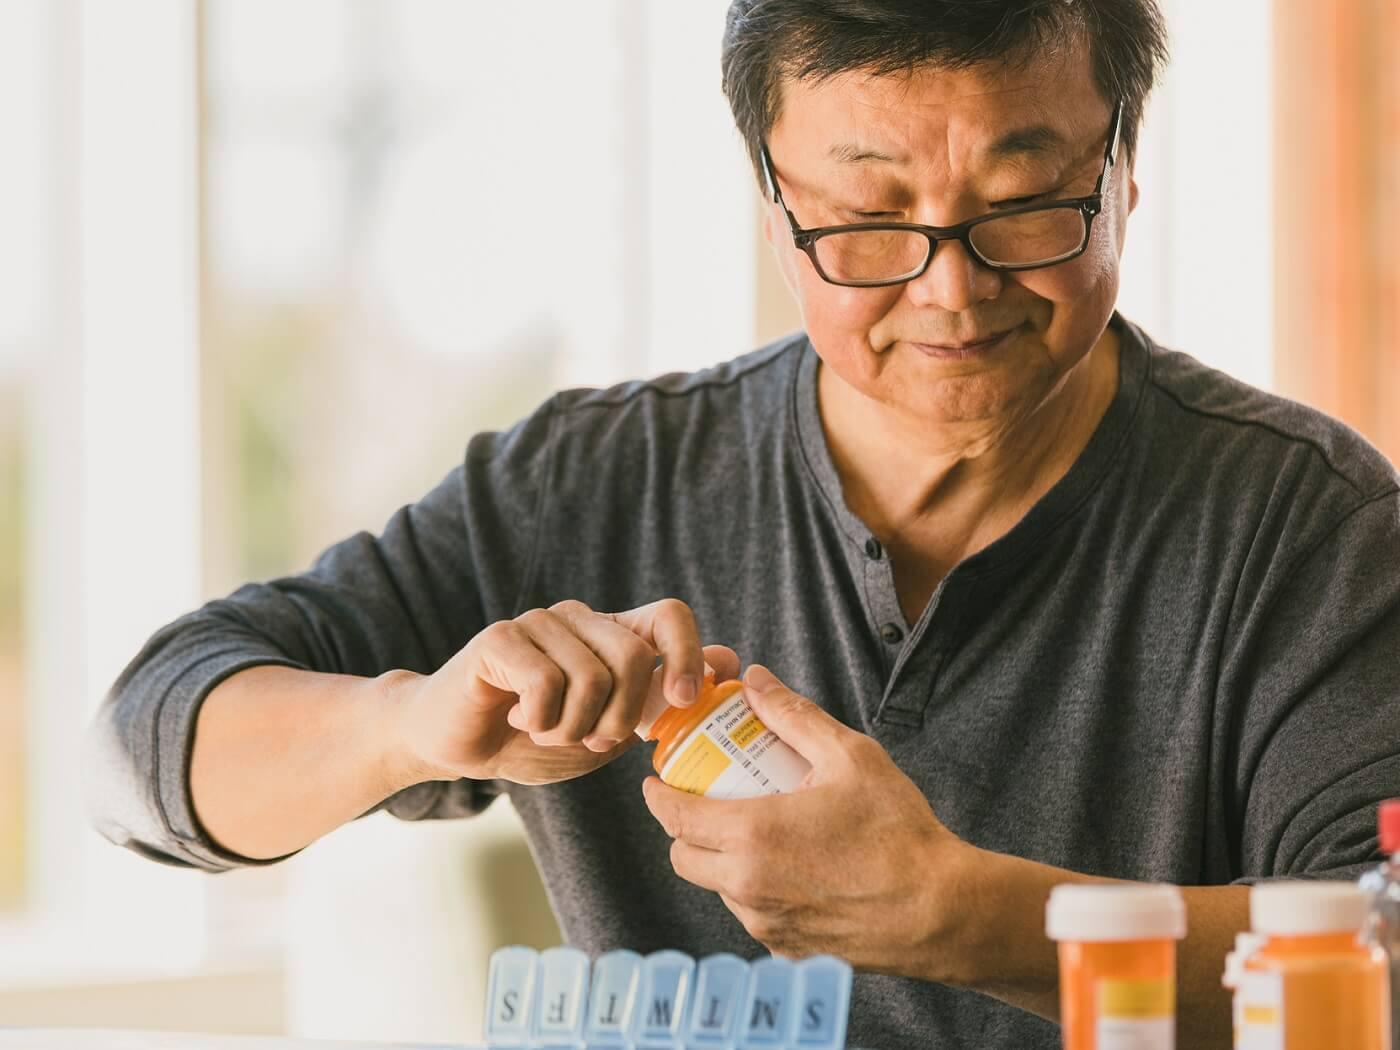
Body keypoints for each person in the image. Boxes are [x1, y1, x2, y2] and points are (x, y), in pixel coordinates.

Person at [88, 2, 1400, 1047]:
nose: (952, 289)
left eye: (1024, 202)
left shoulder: (1310, 531)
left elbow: (1383, 964)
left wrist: (965, 916)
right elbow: (143, 746)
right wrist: (407, 720)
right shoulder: (590, 486)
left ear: (1123, 168)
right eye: (870, 219)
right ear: (776, 206)